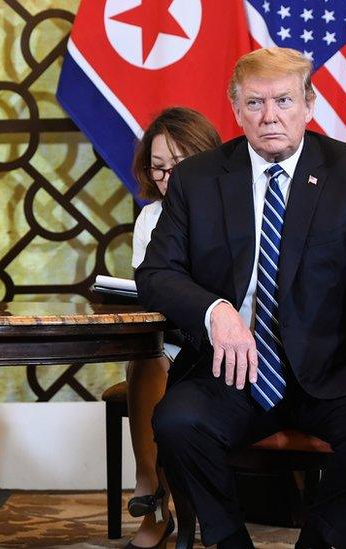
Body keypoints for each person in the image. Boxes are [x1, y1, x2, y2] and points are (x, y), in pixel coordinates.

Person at [137, 47, 346, 549]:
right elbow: (157, 271)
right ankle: (228, 542)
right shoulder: (197, 179)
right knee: (177, 423)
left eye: (284, 101)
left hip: (330, 372)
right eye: (255, 103)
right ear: (236, 109)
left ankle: (322, 542)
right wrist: (214, 311)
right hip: (231, 369)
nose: (270, 118)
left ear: (309, 105)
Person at [125, 107, 221, 549]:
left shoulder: (234, 206)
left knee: (158, 362)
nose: (165, 178)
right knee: (148, 358)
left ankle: (172, 501)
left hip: (227, 336)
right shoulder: (151, 217)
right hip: (176, 335)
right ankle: (154, 494)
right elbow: (155, 290)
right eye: (157, 168)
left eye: (176, 166)